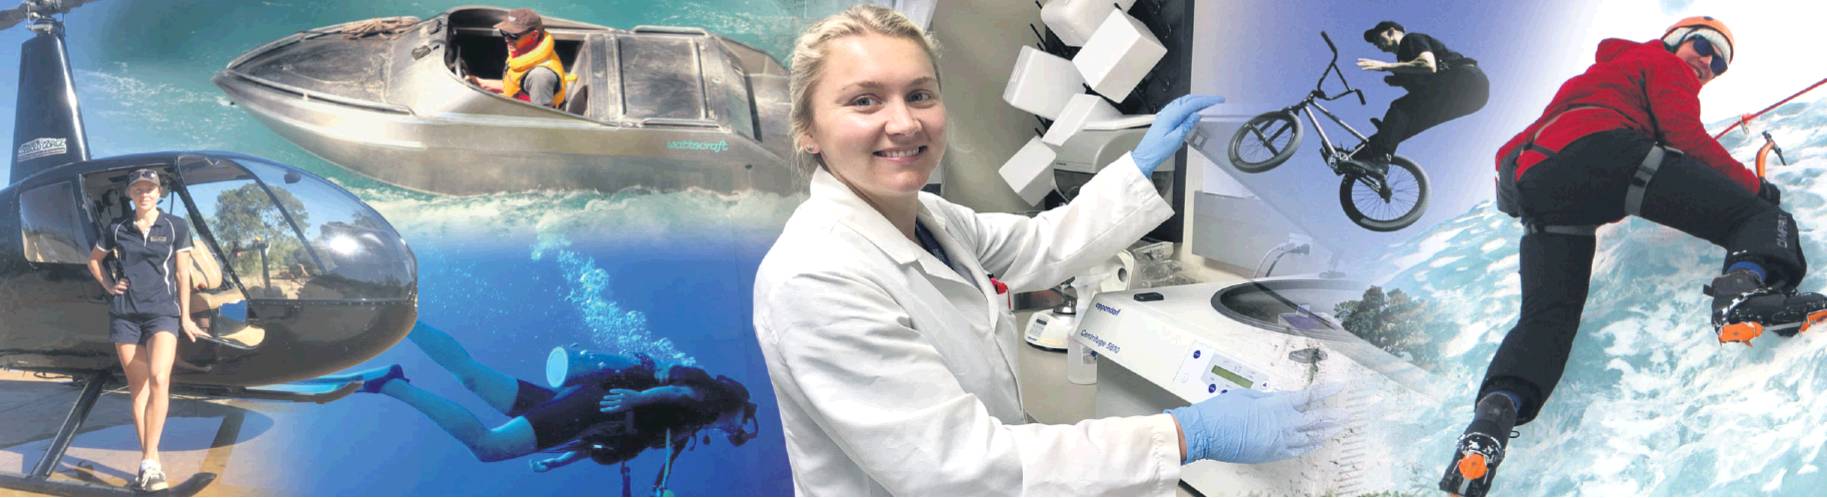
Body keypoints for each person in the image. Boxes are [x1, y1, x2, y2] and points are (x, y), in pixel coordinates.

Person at [751, 6, 1340, 496]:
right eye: (864, 101)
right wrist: (1185, 435)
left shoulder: (931, 219)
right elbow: (960, 468)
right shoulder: (816, 276)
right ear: (807, 128)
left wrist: (1136, 168)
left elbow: (1040, 243)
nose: (904, 123)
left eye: (920, 94)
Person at [1440, 16, 1827, 496]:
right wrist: (1756, 187)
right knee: (1761, 218)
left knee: (1546, 320)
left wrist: (1527, 192)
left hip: (1541, 187)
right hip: (1611, 156)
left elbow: (1505, 154)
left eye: (1719, 63)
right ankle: (1742, 295)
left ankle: (1490, 423)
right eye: (1702, 46)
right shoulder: (1660, 60)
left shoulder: (1594, 77)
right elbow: (1685, 133)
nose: (1707, 62)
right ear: (1675, 41)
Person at [327, 323, 758, 474]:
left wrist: (562, 458)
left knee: (474, 377)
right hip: (596, 404)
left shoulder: (687, 429)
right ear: (743, 411)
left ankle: (406, 323)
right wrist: (634, 402)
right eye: (743, 429)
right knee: (489, 447)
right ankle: (392, 384)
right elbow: (682, 390)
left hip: (587, 407)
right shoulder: (723, 402)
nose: (735, 432)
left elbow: (619, 440)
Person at [85, 168, 208, 492]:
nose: (144, 193)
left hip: (163, 314)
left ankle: (150, 460)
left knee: (159, 378)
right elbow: (94, 260)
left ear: (159, 193)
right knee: (138, 388)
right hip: (125, 315)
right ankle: (149, 461)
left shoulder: (175, 227)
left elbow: (182, 274)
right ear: (130, 194)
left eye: (150, 188)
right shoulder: (118, 228)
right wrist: (110, 285)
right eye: (138, 188)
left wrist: (184, 317)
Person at [1351, 21, 1490, 167]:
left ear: (1391, 32)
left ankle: (1380, 161)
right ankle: (1355, 158)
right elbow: (1420, 96)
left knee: (1400, 107)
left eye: (1376, 37)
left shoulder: (1410, 40)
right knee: (1401, 128)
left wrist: (1385, 66)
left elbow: (1428, 65)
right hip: (1473, 98)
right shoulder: (1404, 61)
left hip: (1467, 79)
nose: (1375, 43)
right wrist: (1390, 126)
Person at [466, 7, 570, 108]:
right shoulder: (526, 51)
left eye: (514, 35)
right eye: (504, 33)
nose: (507, 39)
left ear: (534, 35)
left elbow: (541, 120)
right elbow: (517, 86)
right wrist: (483, 84)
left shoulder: (540, 77)